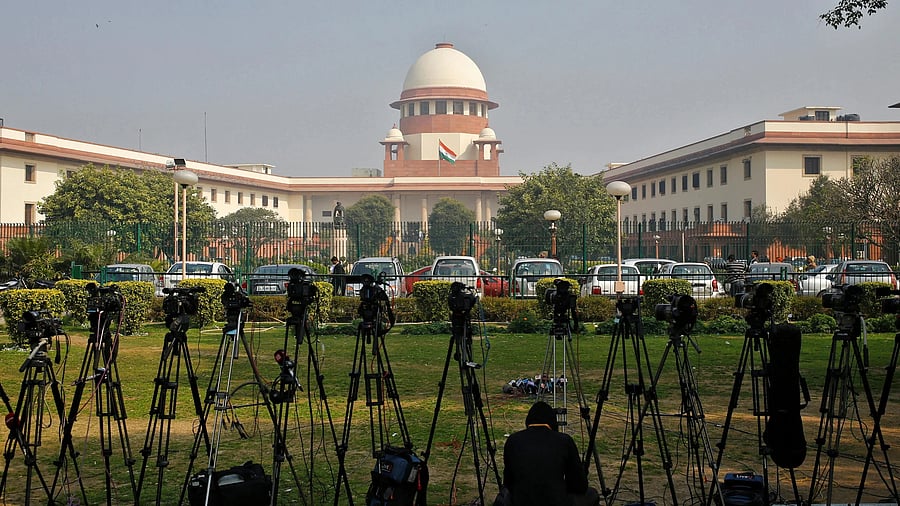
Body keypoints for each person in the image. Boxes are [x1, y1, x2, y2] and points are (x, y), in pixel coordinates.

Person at [502, 401, 599, 506]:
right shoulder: (564, 441)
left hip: (521, 501)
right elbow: (579, 486)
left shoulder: (513, 440)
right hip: (557, 501)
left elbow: (508, 483)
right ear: (553, 422)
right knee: (591, 494)